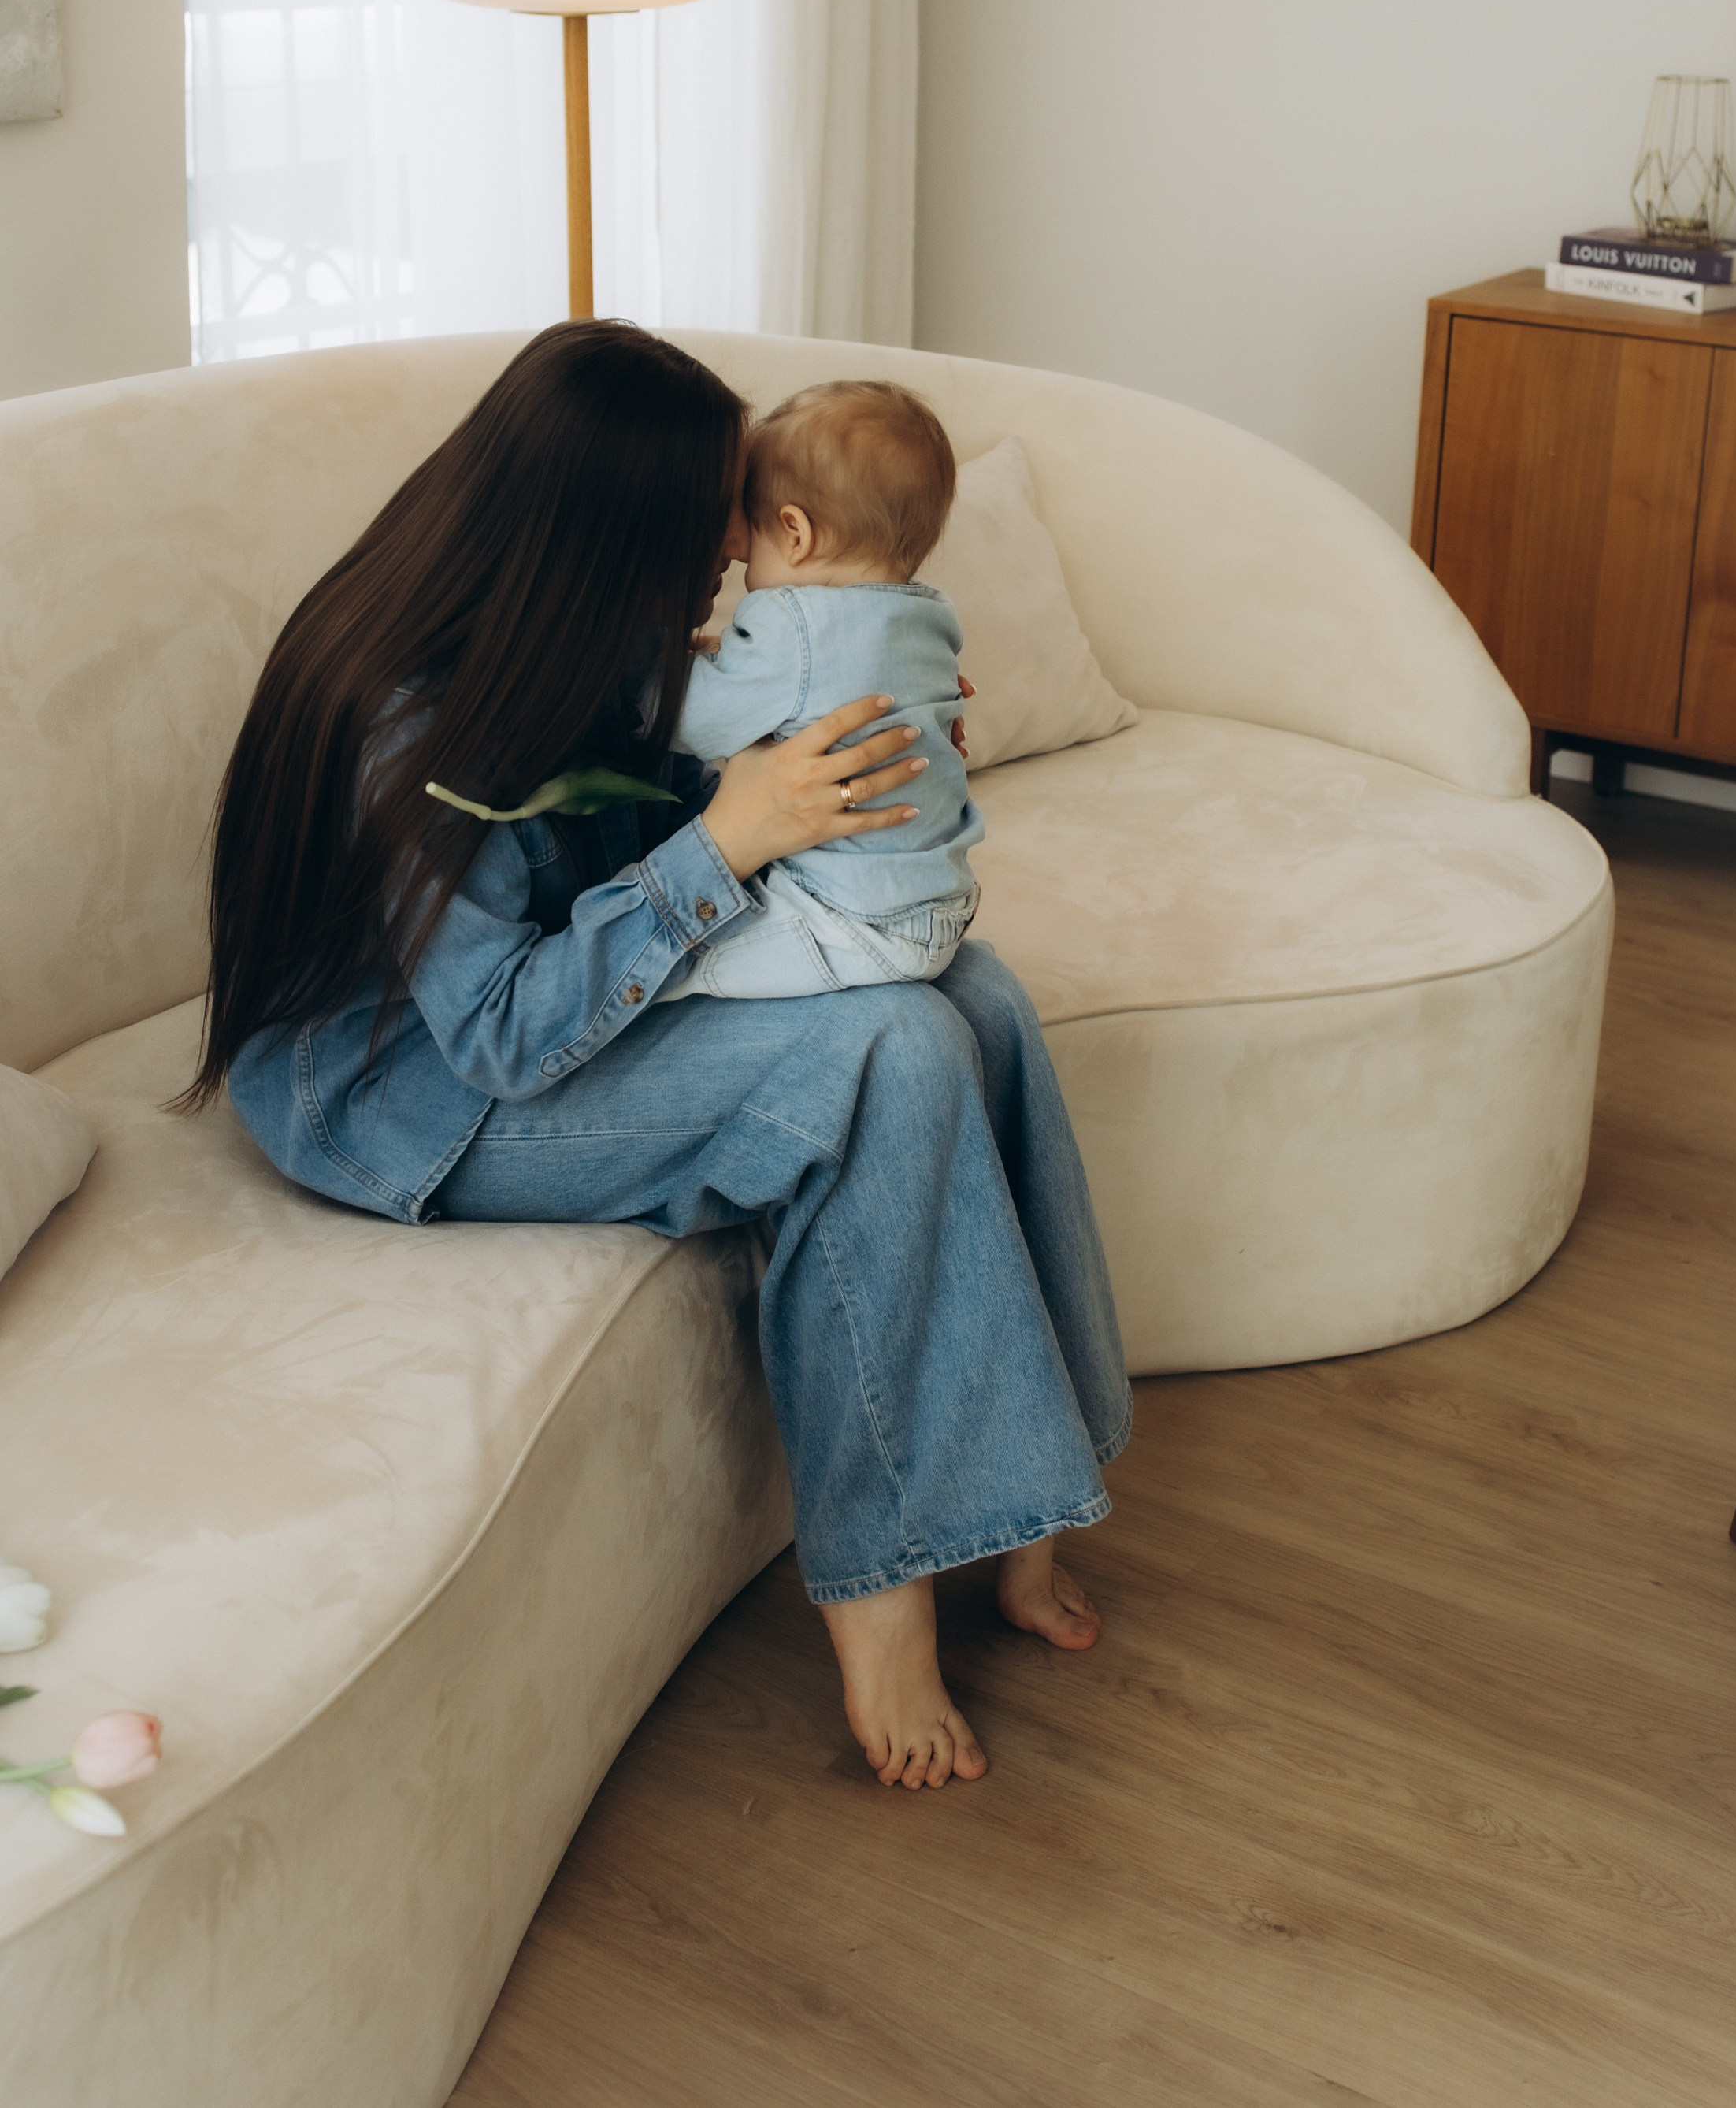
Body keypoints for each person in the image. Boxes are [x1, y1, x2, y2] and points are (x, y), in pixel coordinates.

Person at [182, 321, 1130, 1791]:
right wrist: (729, 840)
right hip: (409, 1092)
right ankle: (881, 1596)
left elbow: (657, 789)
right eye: (717, 522)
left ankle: (1022, 1501)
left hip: (559, 996)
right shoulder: (404, 717)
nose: (738, 549)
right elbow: (501, 1033)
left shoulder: (600, 632)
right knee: (880, 1048)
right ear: (614, 531)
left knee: (976, 992)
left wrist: (844, 757)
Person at [660, 377, 982, 1002]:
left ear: (795, 532)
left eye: (750, 524)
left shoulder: (793, 621)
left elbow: (686, 721)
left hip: (841, 913)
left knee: (670, 971)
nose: (736, 548)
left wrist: (657, 669)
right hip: (937, 903)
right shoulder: (928, 615)